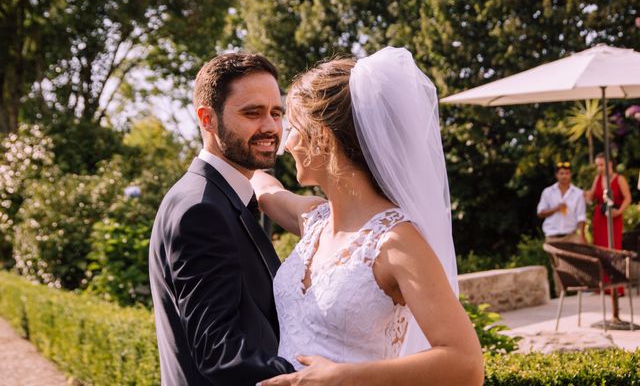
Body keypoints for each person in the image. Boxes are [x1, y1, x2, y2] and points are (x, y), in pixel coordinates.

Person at [253, 47, 484, 386]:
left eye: (294, 128)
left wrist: (344, 378)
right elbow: (266, 191)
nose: (287, 143)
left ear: (323, 139)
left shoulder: (396, 242)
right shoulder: (314, 220)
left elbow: (466, 364)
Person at [148, 53, 295, 385]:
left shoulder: (218, 197)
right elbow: (220, 354)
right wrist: (325, 376)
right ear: (207, 119)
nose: (271, 127)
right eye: (252, 113)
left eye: (276, 112)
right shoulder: (201, 210)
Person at [586, 153, 632, 304]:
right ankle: (602, 286)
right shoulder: (597, 179)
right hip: (600, 219)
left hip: (614, 218)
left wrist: (619, 211)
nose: (599, 168)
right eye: (598, 165)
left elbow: (628, 198)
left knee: (614, 251)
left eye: (602, 164)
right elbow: (592, 196)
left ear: (610, 163)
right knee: (599, 250)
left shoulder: (619, 179)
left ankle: (616, 288)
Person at [536, 161, 587, 244]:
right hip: (552, 236)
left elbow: (581, 217)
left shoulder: (578, 193)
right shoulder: (548, 192)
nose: (564, 176)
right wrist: (556, 209)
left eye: (567, 173)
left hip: (571, 236)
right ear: (556, 175)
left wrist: (582, 236)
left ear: (570, 175)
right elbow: (540, 213)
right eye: (561, 173)